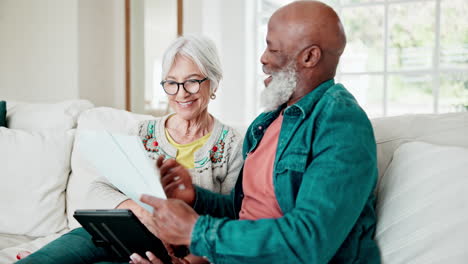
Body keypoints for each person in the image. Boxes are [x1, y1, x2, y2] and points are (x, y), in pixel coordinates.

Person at [131, 1, 381, 264]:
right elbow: (244, 211)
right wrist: (194, 197)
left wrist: (196, 231)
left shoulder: (340, 123)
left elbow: (310, 241)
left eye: (272, 48)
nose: (263, 58)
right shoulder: (267, 122)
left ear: (310, 57)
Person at [16, 34, 243, 264]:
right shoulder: (143, 132)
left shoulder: (232, 145)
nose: (181, 93)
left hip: (182, 254)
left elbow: (232, 222)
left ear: (213, 82)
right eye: (172, 83)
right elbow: (97, 190)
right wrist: (143, 214)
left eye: (192, 81)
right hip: (122, 235)